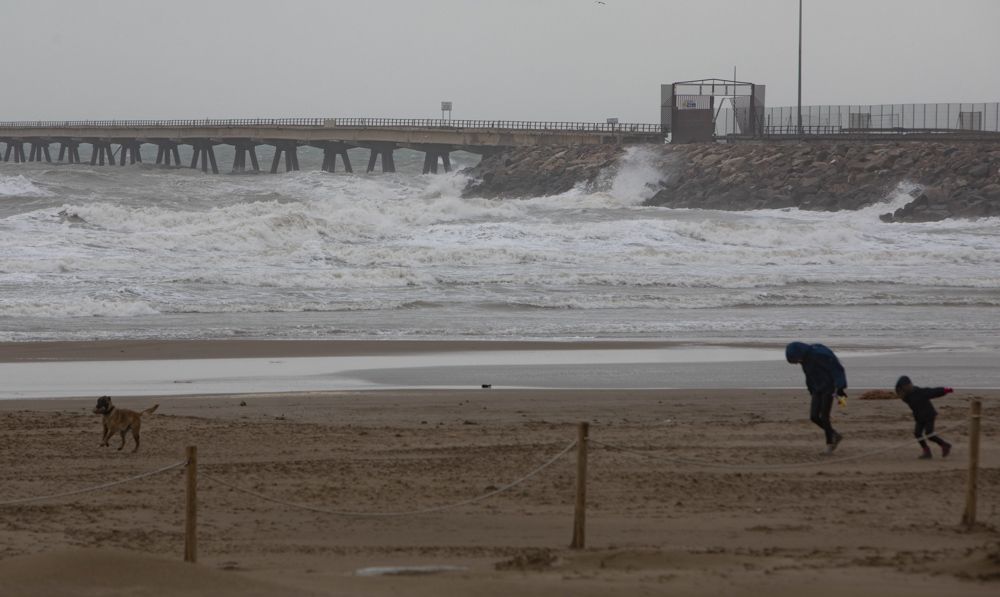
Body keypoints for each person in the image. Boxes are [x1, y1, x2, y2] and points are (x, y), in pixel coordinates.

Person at [785, 342, 847, 453]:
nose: (796, 363)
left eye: (795, 360)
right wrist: (810, 389)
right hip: (816, 389)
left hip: (829, 387)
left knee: (824, 417)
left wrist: (840, 387)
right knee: (814, 417)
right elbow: (809, 376)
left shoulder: (819, 354)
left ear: (799, 354)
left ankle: (830, 444)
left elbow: (837, 369)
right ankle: (835, 434)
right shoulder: (804, 360)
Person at [895, 375, 953, 459]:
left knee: (929, 433)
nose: (907, 387)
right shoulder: (904, 395)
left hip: (929, 414)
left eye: (908, 385)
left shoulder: (918, 391)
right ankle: (927, 451)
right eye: (904, 386)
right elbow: (898, 390)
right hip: (919, 416)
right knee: (917, 434)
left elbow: (932, 391)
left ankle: (945, 445)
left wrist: (946, 390)